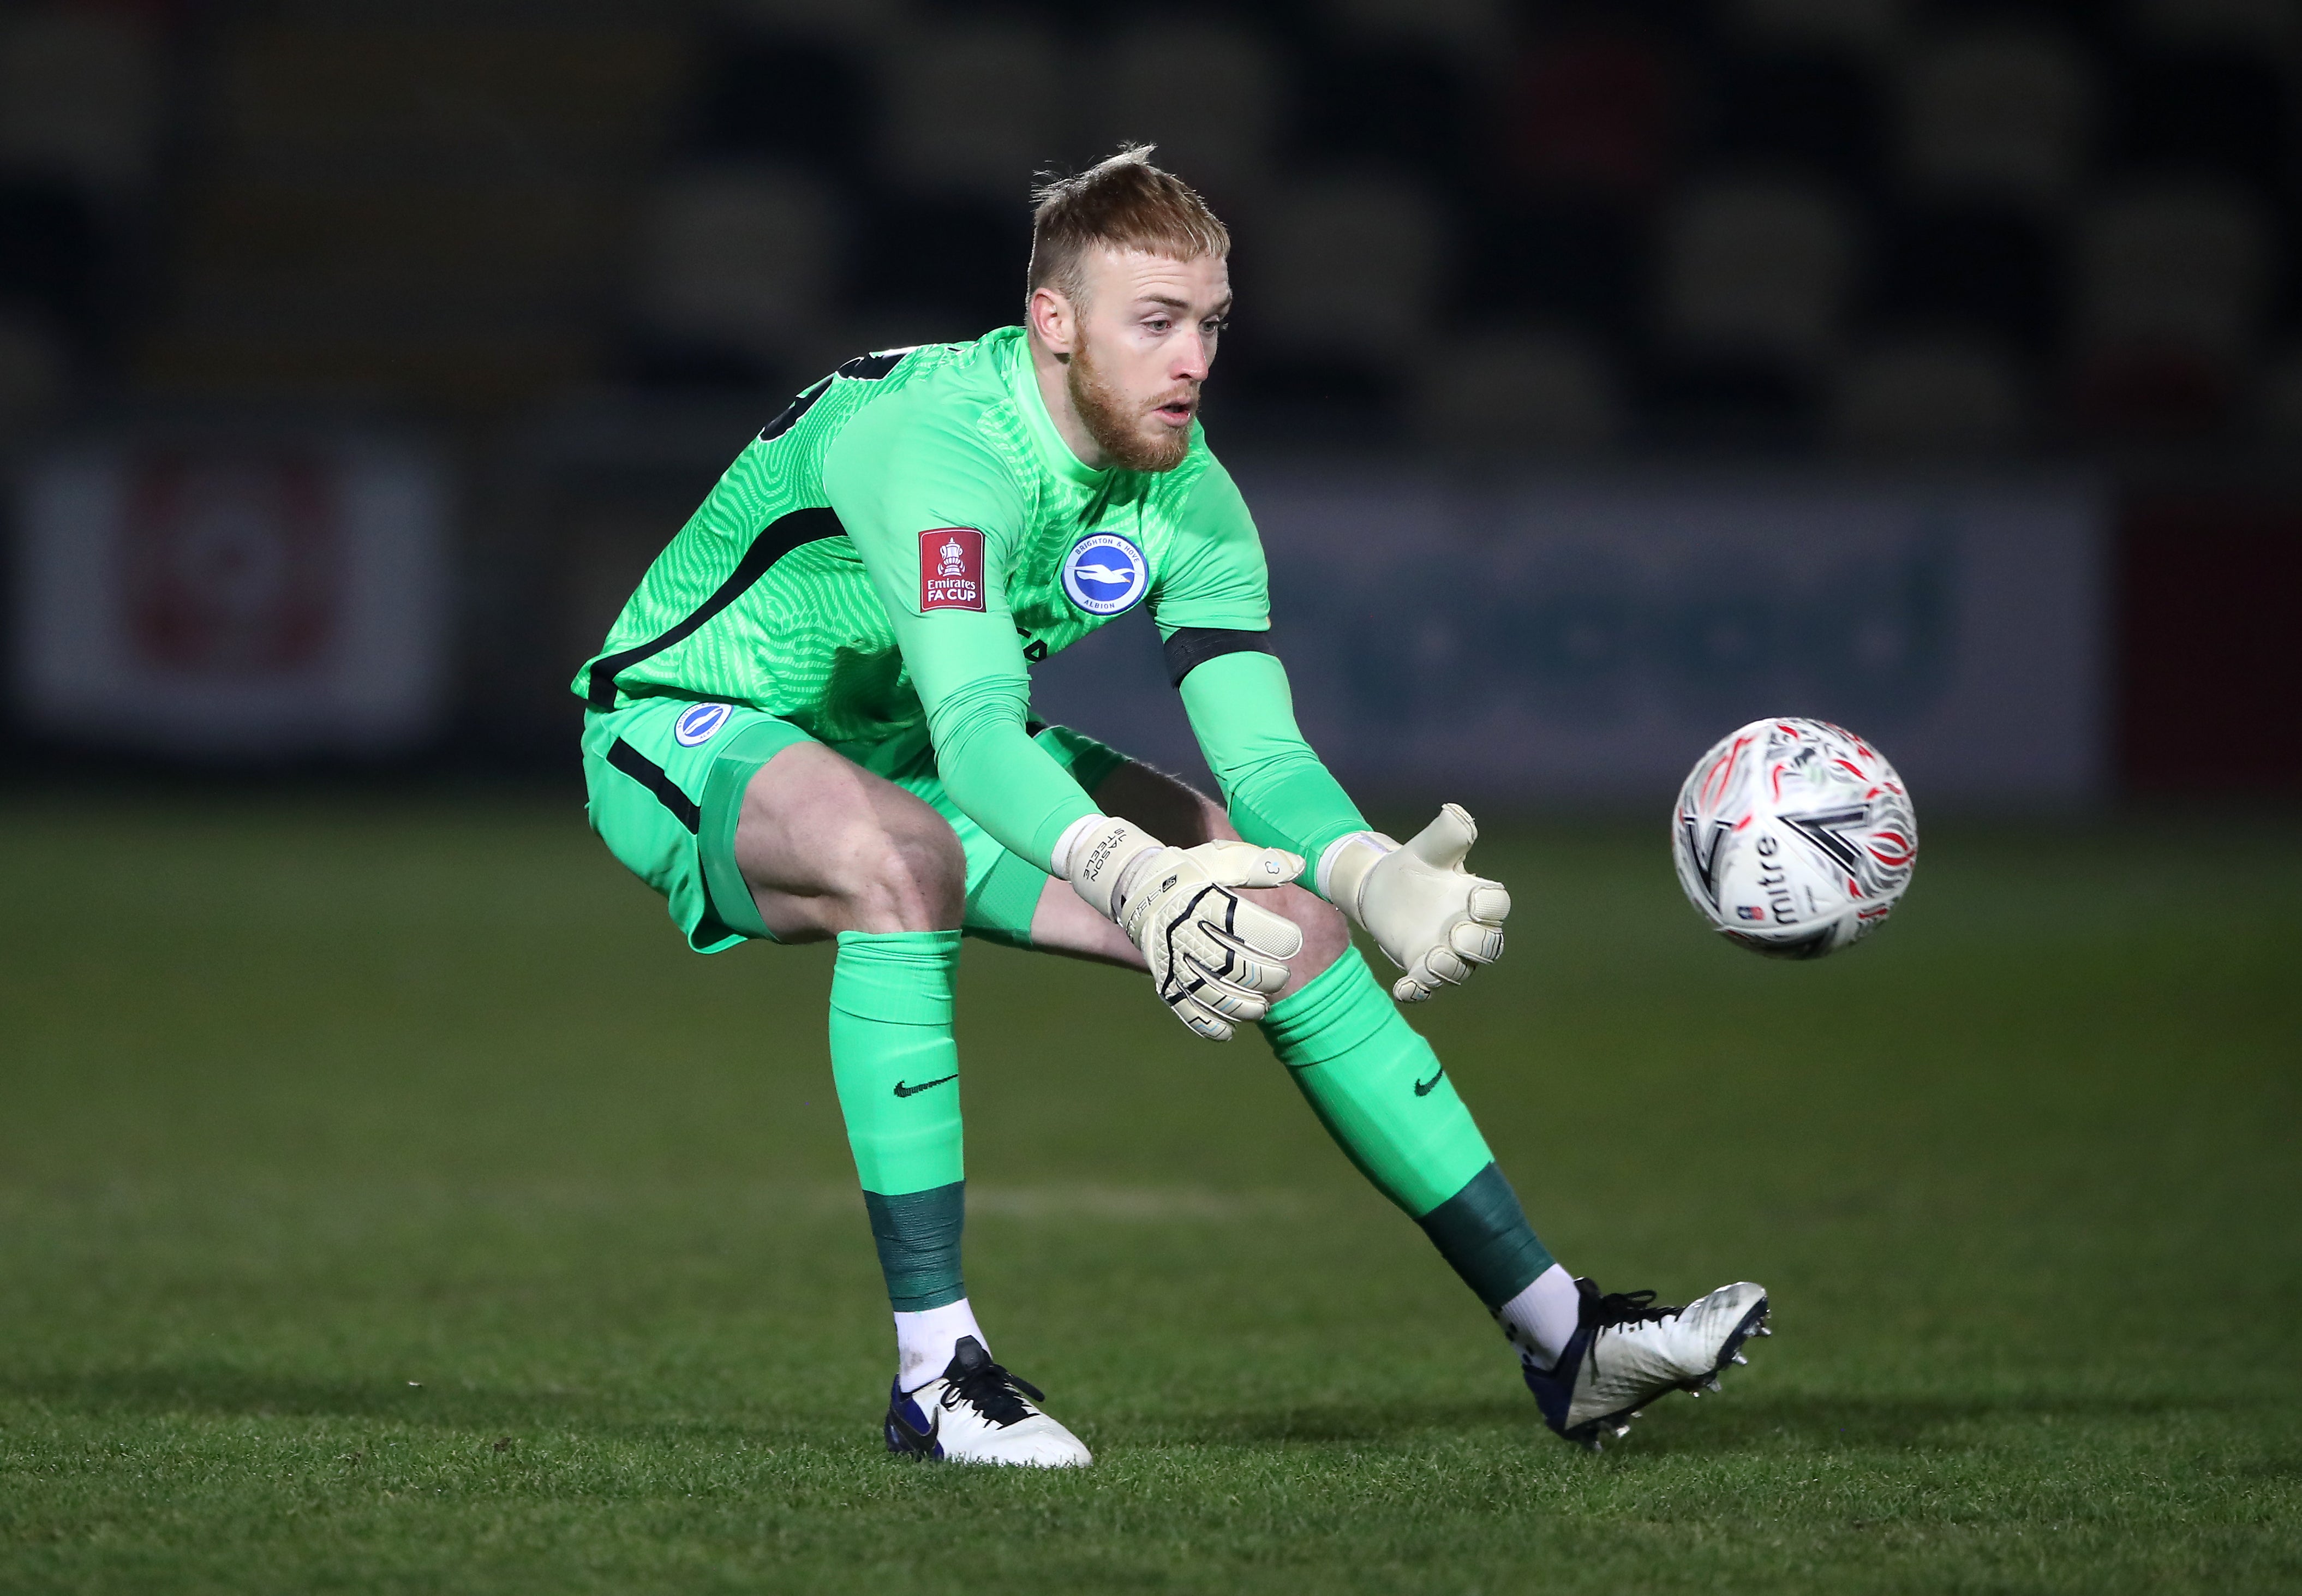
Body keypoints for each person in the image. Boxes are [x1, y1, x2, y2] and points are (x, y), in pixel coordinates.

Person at [575, 148, 1767, 1466]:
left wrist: (1367, 870)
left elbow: (1260, 758)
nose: (1191, 360)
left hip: (906, 741)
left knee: (1293, 924)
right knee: (900, 860)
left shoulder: (1187, 491)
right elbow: (979, 734)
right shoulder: (937, 451)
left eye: (1208, 324)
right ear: (1054, 321)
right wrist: (1129, 873)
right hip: (691, 723)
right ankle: (936, 1371)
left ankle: (1566, 1336)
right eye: (1155, 324)